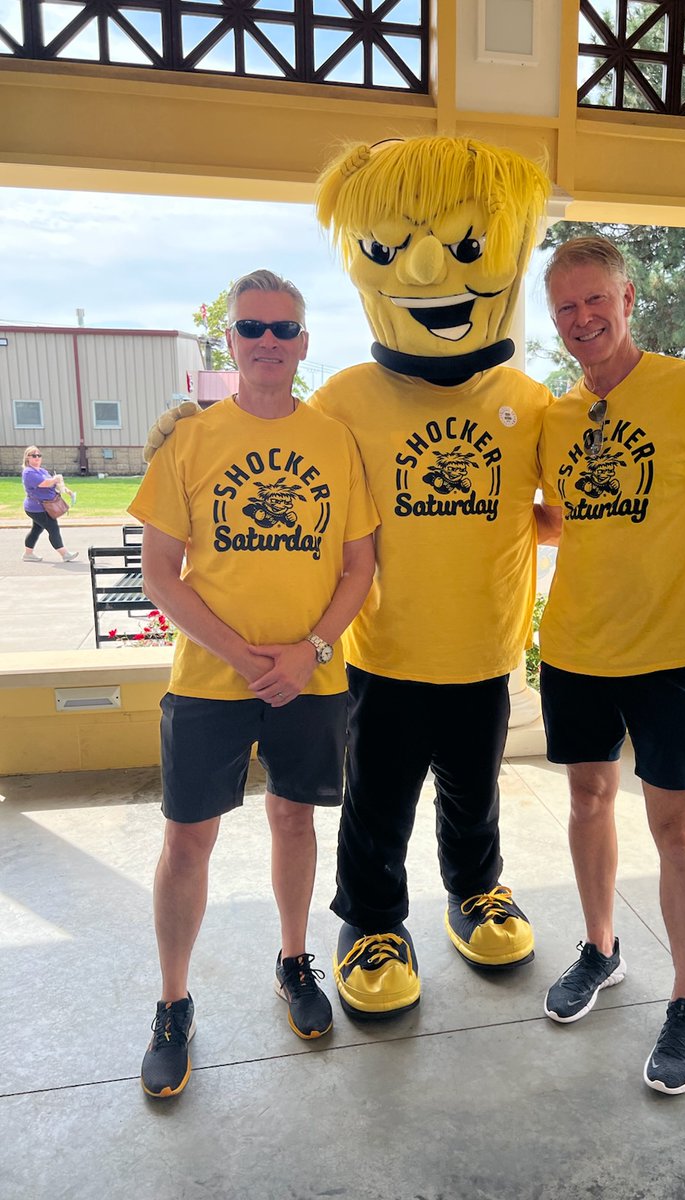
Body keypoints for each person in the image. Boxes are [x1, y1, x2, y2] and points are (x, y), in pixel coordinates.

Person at [310, 136, 557, 1019]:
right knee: (375, 800)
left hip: (484, 647)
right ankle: (373, 919)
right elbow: (303, 494)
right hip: (386, 645)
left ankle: (474, 889)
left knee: (474, 788)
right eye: (389, 250)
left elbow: (560, 510)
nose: (425, 269)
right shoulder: (342, 398)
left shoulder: (527, 400)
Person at [129, 269, 378, 1099]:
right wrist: (244, 657)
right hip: (210, 679)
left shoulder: (334, 441)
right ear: (230, 340)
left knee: (295, 822)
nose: (268, 341)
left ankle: (293, 959)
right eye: (252, 328)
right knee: (187, 842)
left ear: (304, 343)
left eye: (284, 329)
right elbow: (161, 574)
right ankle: (173, 1004)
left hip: (309, 676)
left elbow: (359, 564)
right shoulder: (191, 443)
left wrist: (308, 650)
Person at [537, 236, 685, 1095]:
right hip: (574, 650)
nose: (582, 318)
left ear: (629, 299)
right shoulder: (558, 419)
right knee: (588, 800)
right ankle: (601, 949)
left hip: (670, 657)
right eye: (565, 307)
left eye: (595, 299)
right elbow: (557, 516)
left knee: (678, 829)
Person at [21, 446, 79, 562]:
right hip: (37, 508)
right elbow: (44, 484)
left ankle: (28, 554)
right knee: (53, 528)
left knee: (36, 530)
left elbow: (54, 484)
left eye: (39, 455)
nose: (37, 457)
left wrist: (66, 490)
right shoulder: (28, 472)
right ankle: (65, 554)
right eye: (34, 455)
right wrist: (55, 479)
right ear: (27, 458)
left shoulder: (42, 471)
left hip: (44, 506)